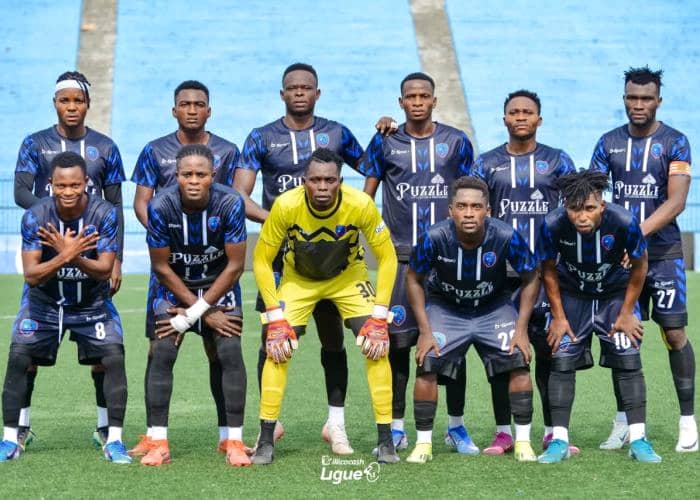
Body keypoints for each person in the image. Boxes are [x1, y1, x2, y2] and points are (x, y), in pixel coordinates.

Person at [235, 63, 373, 454]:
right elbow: (240, 195)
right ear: (282, 94)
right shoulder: (261, 137)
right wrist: (279, 221)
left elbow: (374, 167)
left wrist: (360, 208)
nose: (299, 92)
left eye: (306, 87)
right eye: (292, 88)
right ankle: (271, 423)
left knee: (333, 340)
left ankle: (336, 424)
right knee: (273, 338)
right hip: (282, 259)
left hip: (332, 257)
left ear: (317, 93)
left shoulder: (338, 133)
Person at [250, 148, 398, 465]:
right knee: (278, 344)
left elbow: (388, 257)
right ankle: (266, 438)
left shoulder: (360, 204)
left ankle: (386, 441)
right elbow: (261, 259)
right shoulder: (286, 205)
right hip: (298, 280)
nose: (322, 187)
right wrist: (275, 316)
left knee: (376, 342)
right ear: (304, 181)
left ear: (340, 182)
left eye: (329, 180)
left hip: (347, 278)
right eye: (315, 180)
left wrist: (379, 314)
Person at [358, 72, 475, 454]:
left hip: (447, 259)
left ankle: (456, 426)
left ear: (434, 101)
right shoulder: (385, 141)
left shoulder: (456, 142)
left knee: (452, 344)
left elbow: (471, 194)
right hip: (399, 260)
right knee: (397, 345)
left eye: (425, 96)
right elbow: (366, 198)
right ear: (401, 102)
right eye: (411, 97)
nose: (418, 102)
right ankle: (396, 428)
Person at [13, 71, 126, 448]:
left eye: (78, 100)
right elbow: (20, 192)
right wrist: (56, 221)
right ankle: (20, 427)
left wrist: (116, 258)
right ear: (55, 103)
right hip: (45, 247)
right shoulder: (34, 143)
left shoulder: (106, 147)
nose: (72, 107)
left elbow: (115, 205)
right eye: (65, 100)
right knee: (28, 350)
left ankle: (105, 428)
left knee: (102, 351)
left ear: (88, 104)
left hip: (93, 249)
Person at [129, 80, 241, 457]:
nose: (192, 110)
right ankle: (153, 435)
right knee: (159, 348)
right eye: (185, 104)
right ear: (174, 110)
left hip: (215, 269)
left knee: (219, 349)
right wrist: (168, 235)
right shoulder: (153, 150)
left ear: (209, 110)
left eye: (198, 104)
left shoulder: (228, 150)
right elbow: (142, 202)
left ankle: (229, 434)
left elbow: (236, 199)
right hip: (170, 265)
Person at [590, 66, 696, 453]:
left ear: (658, 101)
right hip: (619, 258)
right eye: (632, 98)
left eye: (646, 98)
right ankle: (624, 422)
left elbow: (677, 201)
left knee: (674, 334)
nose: (638, 104)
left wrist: (636, 233)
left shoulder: (676, 142)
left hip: (664, 254)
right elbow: (593, 197)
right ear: (624, 99)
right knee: (622, 335)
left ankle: (687, 421)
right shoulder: (607, 143)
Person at [0, 152, 129, 463]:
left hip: (91, 302)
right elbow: (31, 276)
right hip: (43, 302)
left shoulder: (104, 214)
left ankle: (112, 439)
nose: (68, 191)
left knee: (113, 357)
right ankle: (11, 438)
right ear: (50, 184)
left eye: (75, 185)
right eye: (61, 186)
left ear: (86, 183)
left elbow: (104, 269)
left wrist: (74, 256)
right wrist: (65, 255)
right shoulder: (35, 216)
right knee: (19, 357)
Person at [470, 89, 578, 455]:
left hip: (548, 275)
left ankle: (552, 432)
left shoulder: (558, 161)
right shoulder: (486, 164)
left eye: (527, 112)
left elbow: (578, 209)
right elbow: (473, 212)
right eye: (513, 112)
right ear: (504, 119)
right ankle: (504, 432)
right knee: (503, 355)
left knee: (549, 354)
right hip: (500, 276)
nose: (520, 117)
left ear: (539, 119)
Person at [404, 176, 538, 463]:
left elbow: (531, 276)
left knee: (518, 360)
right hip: (447, 309)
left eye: (476, 207)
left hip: (493, 308)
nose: (468, 213)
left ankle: (524, 442)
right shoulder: (434, 237)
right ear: (450, 210)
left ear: (487, 211)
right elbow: (413, 279)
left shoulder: (505, 236)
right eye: (462, 206)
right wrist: (425, 331)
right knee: (427, 364)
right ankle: (423, 444)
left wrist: (521, 328)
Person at [536, 170, 662, 463]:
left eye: (589, 208)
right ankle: (559, 442)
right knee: (561, 360)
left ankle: (639, 440)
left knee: (628, 358)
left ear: (602, 206)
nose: (582, 216)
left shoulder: (624, 221)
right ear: (565, 207)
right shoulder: (552, 224)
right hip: (572, 297)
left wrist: (627, 311)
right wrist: (558, 316)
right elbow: (548, 269)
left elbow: (640, 265)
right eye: (574, 209)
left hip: (614, 296)